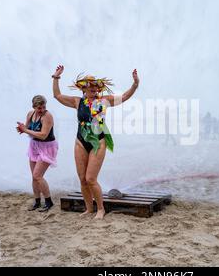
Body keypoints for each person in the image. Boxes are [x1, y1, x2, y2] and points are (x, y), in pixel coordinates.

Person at [51, 65, 139, 219]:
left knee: (91, 178)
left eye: (95, 86)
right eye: (89, 86)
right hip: (80, 141)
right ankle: (89, 209)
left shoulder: (104, 101)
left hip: (98, 141)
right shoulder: (77, 102)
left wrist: (135, 84)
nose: (93, 88)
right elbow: (57, 95)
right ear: (83, 89)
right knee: (82, 179)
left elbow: (124, 96)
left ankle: (100, 209)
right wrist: (56, 77)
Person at [16, 95, 58, 212]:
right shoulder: (30, 114)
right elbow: (29, 129)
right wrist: (22, 129)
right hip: (34, 146)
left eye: (44, 107)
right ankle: (37, 202)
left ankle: (49, 202)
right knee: (34, 177)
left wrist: (26, 130)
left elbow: (43, 135)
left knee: (37, 176)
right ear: (34, 107)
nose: (42, 110)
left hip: (47, 147)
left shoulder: (47, 116)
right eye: (39, 108)